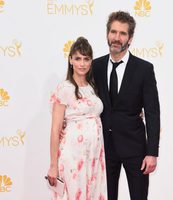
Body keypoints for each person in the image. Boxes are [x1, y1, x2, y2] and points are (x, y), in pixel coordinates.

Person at [92, 11, 160, 200]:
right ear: (107, 34)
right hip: (103, 149)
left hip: (135, 149)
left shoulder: (144, 69)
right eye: (113, 32)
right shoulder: (95, 67)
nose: (117, 37)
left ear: (130, 38)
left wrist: (152, 152)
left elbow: (153, 112)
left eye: (122, 33)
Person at [47, 37, 107, 200]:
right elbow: (55, 129)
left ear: (91, 61)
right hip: (73, 156)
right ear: (70, 60)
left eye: (86, 59)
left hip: (94, 155)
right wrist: (53, 166)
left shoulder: (92, 87)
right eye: (78, 58)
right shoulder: (64, 88)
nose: (82, 64)